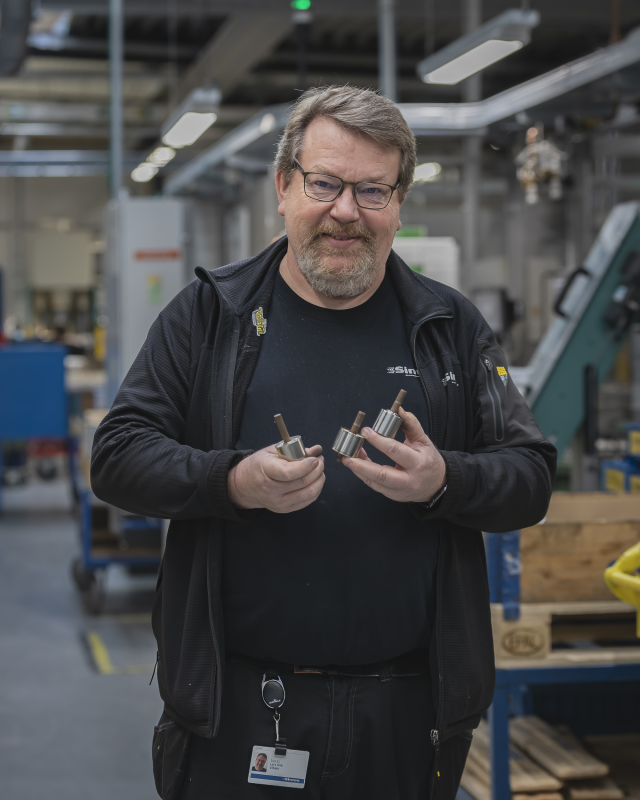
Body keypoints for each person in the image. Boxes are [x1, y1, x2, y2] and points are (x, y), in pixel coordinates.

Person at [91, 85, 556, 800]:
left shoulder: (449, 328)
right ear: (284, 187)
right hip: (241, 710)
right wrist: (231, 483)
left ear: (399, 203)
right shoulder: (210, 316)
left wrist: (444, 482)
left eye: (373, 190)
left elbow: (529, 474)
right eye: (325, 183)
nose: (346, 211)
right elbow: (118, 456)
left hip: (409, 715)